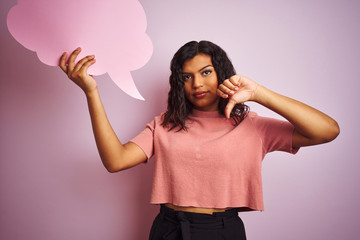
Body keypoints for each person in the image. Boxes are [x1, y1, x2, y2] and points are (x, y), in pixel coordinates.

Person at [59, 40, 340, 240]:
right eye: (187, 77)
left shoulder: (253, 126)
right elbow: (115, 160)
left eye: (206, 72)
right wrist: (91, 92)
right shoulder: (165, 125)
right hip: (169, 228)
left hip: (222, 230)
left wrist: (259, 93)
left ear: (222, 72)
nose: (197, 84)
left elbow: (327, 130)